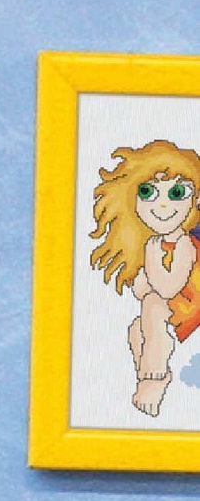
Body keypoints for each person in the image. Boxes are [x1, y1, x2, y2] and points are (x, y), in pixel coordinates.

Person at [88, 140, 200, 419]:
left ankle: (154, 378)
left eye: (177, 193)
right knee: (136, 330)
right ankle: (151, 378)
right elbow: (141, 289)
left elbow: (168, 287)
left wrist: (151, 256)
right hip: (173, 302)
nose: (163, 204)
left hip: (192, 300)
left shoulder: (184, 244)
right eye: (148, 192)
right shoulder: (154, 243)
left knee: (153, 307)